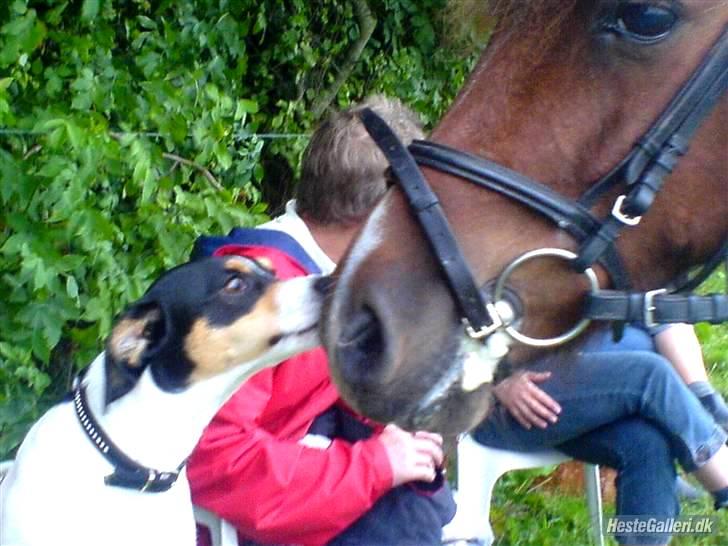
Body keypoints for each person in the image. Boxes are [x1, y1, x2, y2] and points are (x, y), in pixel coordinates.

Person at [187, 96, 455, 546]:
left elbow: (314, 387)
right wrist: (376, 466)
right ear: (381, 216)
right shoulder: (256, 300)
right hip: (236, 516)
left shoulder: (324, 273)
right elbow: (213, 459)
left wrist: (386, 426)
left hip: (296, 467)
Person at [470, 323, 728, 546]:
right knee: (649, 374)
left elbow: (663, 311)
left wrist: (703, 395)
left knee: (647, 443)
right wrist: (499, 378)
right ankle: (722, 480)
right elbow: (445, 308)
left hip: (579, 382)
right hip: (489, 398)